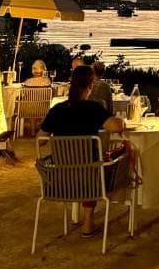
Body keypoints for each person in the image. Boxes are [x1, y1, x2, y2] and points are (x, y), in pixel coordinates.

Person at [39, 65, 125, 237]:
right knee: (103, 161)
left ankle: (84, 221)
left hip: (61, 180)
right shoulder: (93, 109)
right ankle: (87, 224)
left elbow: (40, 139)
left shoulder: (57, 110)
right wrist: (121, 122)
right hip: (90, 179)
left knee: (86, 165)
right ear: (91, 86)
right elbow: (115, 127)